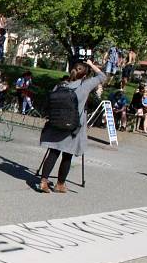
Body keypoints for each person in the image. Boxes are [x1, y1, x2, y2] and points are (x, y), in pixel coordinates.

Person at [37, 59, 105, 193]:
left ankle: (43, 181)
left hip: (56, 123)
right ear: (85, 74)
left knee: (53, 152)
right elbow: (102, 76)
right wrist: (91, 64)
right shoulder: (85, 86)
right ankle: (60, 184)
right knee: (67, 155)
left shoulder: (60, 85)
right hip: (74, 126)